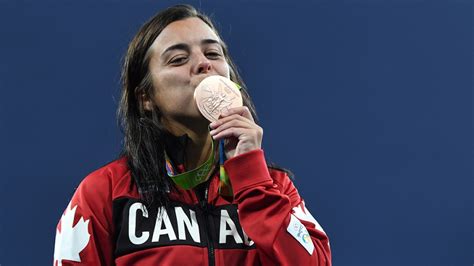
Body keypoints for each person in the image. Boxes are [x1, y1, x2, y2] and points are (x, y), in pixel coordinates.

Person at [53, 4, 331, 266]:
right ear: (145, 97)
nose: (203, 65)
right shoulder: (105, 193)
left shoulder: (274, 188)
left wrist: (252, 181)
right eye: (178, 59)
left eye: (213, 54)